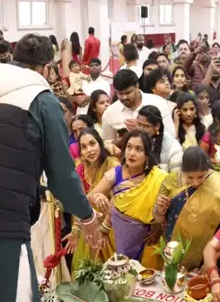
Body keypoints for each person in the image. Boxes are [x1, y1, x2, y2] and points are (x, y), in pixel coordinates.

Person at [0, 33, 101, 301]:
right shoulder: (42, 100)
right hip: (4, 220)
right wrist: (87, 216)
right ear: (47, 68)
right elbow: (61, 175)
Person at [87, 130, 167, 269]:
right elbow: (88, 198)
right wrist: (97, 196)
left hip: (148, 241)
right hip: (118, 240)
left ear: (147, 155)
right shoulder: (115, 174)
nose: (131, 153)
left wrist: (158, 228)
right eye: (129, 147)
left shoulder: (158, 178)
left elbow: (165, 212)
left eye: (138, 149)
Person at [153, 147, 220, 269]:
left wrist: (212, 260)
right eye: (189, 177)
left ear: (208, 170)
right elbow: (159, 220)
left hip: (207, 256)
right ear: (182, 171)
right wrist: (159, 210)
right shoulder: (172, 180)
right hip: (173, 250)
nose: (195, 182)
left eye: (200, 177)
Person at [64, 128, 119, 274]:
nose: (89, 150)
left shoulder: (112, 164)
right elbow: (79, 203)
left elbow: (118, 198)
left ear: (100, 144)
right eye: (84, 147)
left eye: (92, 144)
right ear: (80, 151)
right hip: (88, 225)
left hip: (110, 225)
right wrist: (75, 230)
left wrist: (103, 198)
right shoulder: (80, 169)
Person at [101, 69, 175, 142]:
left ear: (137, 86)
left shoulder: (158, 103)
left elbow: (171, 136)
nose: (124, 97)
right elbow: (107, 143)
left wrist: (143, 129)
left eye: (128, 93)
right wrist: (123, 140)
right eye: (120, 94)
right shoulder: (110, 113)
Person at [137, 105, 183, 173]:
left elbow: (175, 180)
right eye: (139, 124)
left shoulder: (173, 148)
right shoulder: (134, 140)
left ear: (157, 126)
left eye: (145, 126)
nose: (140, 130)